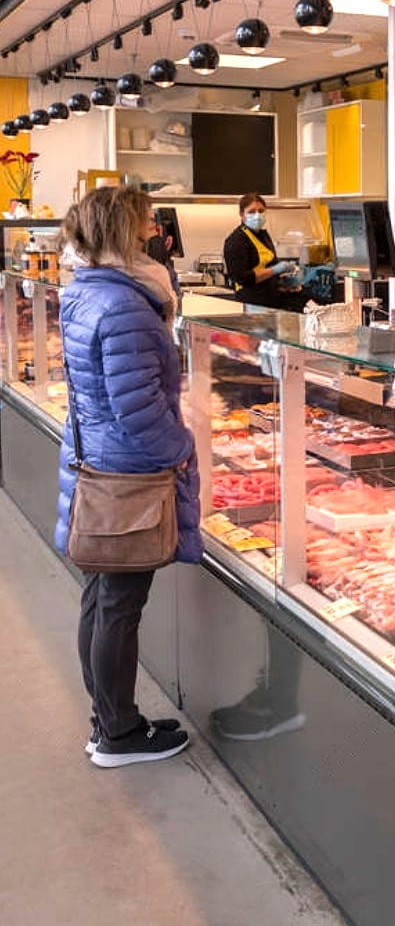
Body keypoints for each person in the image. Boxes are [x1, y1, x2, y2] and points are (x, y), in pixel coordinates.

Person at [56, 186, 201, 767]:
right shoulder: (124, 306)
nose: (154, 231)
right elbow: (137, 407)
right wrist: (181, 448)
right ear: (123, 230)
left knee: (101, 598)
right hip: (129, 475)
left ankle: (109, 721)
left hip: (100, 461)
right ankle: (118, 734)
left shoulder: (87, 290)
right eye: (146, 221)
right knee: (118, 604)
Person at [223, 192, 333, 310]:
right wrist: (275, 270)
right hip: (252, 303)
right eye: (251, 212)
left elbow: (269, 266)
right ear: (241, 214)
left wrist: (284, 283)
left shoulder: (263, 236)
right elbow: (242, 278)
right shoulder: (236, 241)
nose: (257, 215)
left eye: (261, 211)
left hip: (271, 299)